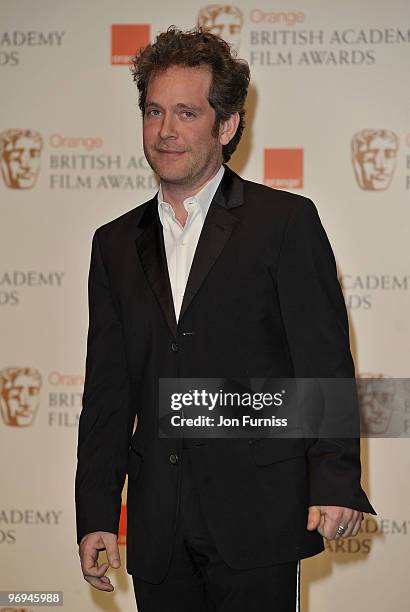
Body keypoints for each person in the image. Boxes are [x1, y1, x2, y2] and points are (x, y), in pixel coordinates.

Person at [76, 27, 375, 611]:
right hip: (159, 524)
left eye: (187, 112)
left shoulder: (284, 223)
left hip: (258, 512)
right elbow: (108, 392)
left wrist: (335, 478)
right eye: (154, 111)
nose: (166, 130)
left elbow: (324, 361)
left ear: (227, 124)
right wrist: (96, 513)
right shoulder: (112, 244)